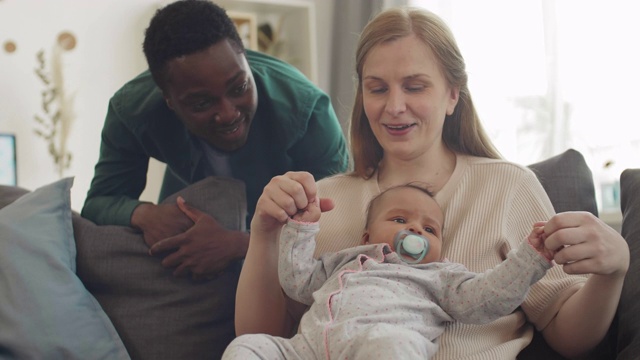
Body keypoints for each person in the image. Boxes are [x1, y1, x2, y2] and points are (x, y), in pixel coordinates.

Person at [234, 6, 629, 359]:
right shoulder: (323, 203)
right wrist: (264, 232)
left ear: (453, 95)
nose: (394, 106)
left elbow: (570, 336)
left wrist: (612, 272)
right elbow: (265, 337)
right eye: (377, 89)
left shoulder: (508, 186)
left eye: (415, 86)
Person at [81, 0, 348, 278]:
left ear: (245, 58)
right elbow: (99, 203)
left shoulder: (306, 109)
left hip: (283, 257)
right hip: (191, 242)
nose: (228, 113)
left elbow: (341, 224)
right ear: (169, 101)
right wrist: (144, 214)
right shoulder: (132, 111)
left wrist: (238, 244)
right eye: (201, 103)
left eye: (239, 87)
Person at [224, 183, 556, 359]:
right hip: (306, 350)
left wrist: (530, 258)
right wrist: (302, 228)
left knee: (392, 347)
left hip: (377, 346)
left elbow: (488, 298)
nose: (415, 230)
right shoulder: (345, 261)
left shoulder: (440, 276)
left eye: (430, 229)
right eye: (400, 220)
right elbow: (297, 281)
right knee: (250, 347)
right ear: (367, 237)